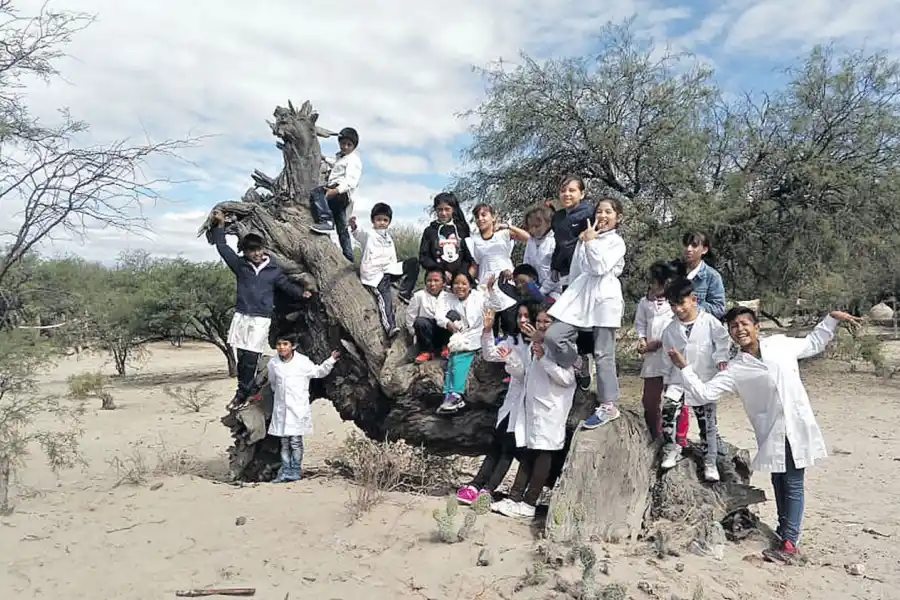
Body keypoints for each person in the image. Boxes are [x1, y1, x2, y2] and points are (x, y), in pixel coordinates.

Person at [667, 307, 861, 564]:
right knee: (779, 479)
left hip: (796, 424)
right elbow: (704, 393)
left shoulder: (781, 345)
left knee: (792, 481)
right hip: (770, 430)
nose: (740, 329)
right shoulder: (736, 369)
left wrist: (832, 319)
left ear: (757, 326)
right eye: (734, 326)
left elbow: (814, 343)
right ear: (731, 334)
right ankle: (785, 533)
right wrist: (685, 368)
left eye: (745, 323)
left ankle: (790, 544)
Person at [210, 209, 312, 405]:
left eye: (259, 249)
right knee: (241, 357)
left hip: (261, 317)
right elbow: (223, 248)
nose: (256, 253)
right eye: (251, 250)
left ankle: (248, 392)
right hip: (242, 315)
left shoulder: (273, 270)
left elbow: (286, 285)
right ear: (245, 252)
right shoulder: (241, 266)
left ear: (264, 248)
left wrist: (302, 293)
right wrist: (219, 226)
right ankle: (242, 392)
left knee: (252, 356)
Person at [545, 198, 626, 430]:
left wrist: (590, 243)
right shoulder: (586, 238)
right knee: (554, 336)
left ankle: (608, 404)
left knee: (603, 353)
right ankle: (579, 362)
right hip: (581, 295)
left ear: (617, 217)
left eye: (608, 212)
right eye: (599, 211)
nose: (602, 215)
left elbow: (601, 267)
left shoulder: (617, 242)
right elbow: (577, 270)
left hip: (604, 297)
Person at [492, 305, 576, 519]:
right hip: (532, 408)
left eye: (546, 322)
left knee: (543, 453)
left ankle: (530, 502)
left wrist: (544, 359)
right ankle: (515, 498)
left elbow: (567, 379)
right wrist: (511, 359)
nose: (540, 326)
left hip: (551, 410)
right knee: (530, 452)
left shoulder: (565, 348)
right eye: (538, 321)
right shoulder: (534, 345)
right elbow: (525, 374)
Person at [455, 303, 537, 505]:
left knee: (508, 448)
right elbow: (489, 354)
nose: (523, 320)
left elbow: (528, 374)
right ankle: (476, 485)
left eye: (527, 316)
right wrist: (488, 330)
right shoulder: (513, 340)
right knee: (496, 444)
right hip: (511, 402)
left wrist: (511, 361)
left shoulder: (539, 346)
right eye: (520, 316)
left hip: (528, 404)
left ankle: (488, 490)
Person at [659, 278, 731, 482]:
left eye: (681, 303)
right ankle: (672, 448)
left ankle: (710, 460)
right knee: (669, 412)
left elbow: (722, 342)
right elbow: (666, 355)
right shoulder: (670, 329)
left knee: (707, 421)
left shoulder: (709, 322)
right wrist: (666, 377)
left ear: (693, 299)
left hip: (703, 379)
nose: (678, 309)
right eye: (673, 305)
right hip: (677, 379)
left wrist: (721, 360)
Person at [262, 333, 340, 483]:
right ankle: (286, 471)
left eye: (285, 344)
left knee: (296, 442)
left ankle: (295, 471)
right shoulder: (273, 363)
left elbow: (318, 372)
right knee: (284, 442)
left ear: (293, 346)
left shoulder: (302, 362)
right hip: (281, 409)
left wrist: (331, 360)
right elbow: (273, 383)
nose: (281, 347)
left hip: (297, 408)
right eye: (279, 344)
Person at [675, 231, 728, 447]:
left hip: (702, 343)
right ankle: (678, 442)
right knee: (676, 396)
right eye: (687, 245)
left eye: (694, 245)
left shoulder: (712, 276)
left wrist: (693, 307)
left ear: (704, 249)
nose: (689, 249)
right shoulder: (676, 273)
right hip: (677, 339)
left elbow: (719, 308)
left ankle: (712, 448)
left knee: (703, 398)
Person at [349, 203, 418, 338]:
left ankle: (405, 291)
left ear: (389, 222)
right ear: (373, 221)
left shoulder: (388, 237)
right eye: (379, 219)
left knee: (413, 263)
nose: (382, 223)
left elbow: (392, 256)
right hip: (375, 274)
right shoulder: (369, 234)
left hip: (389, 269)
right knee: (385, 299)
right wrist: (353, 225)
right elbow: (358, 233)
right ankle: (390, 327)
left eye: (385, 220)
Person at [465, 203, 528, 336]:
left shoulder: (504, 234)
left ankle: (513, 352)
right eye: (477, 216)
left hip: (506, 283)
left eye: (484, 215)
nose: (480, 219)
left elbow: (528, 238)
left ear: (493, 217)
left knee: (510, 323)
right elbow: (475, 265)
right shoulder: (473, 241)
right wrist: (466, 282)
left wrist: (508, 226)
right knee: (489, 325)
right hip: (485, 286)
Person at [634, 260, 681, 439]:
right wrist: (642, 340)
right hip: (651, 358)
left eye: (657, 282)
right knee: (650, 401)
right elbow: (640, 323)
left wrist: (660, 343)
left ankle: (674, 438)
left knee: (672, 399)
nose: (653, 286)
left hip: (670, 356)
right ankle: (655, 435)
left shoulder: (675, 302)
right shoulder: (644, 303)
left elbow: (678, 326)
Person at [434, 272, 492, 414]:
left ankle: (457, 394)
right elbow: (439, 315)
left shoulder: (479, 297)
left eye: (464, 283)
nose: (460, 287)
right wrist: (448, 324)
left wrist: (491, 290)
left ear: (470, 285)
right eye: (456, 283)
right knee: (452, 360)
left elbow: (495, 304)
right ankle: (448, 394)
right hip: (460, 335)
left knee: (460, 356)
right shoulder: (448, 298)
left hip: (477, 334)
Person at [310, 127, 363, 261]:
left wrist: (335, 191)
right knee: (342, 228)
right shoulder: (341, 158)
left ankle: (325, 219)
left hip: (341, 192)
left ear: (354, 146)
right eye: (343, 143)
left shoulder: (354, 160)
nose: (345, 147)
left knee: (317, 192)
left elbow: (351, 181)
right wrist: (323, 158)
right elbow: (335, 163)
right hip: (338, 193)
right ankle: (349, 257)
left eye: (349, 145)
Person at [418, 192, 472, 286]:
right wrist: (441, 271)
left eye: (447, 209)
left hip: (459, 282)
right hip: (437, 281)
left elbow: (468, 257)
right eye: (440, 210)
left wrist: (460, 275)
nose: (443, 213)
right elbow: (424, 257)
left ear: (453, 209)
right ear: (435, 210)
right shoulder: (430, 231)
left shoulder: (462, 229)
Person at [406, 268, 453, 364]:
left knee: (452, 315)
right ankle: (427, 351)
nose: (432, 284)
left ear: (443, 283)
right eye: (429, 281)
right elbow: (410, 316)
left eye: (436, 281)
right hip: (427, 333)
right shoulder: (419, 296)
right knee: (420, 321)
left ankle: (446, 347)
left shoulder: (448, 296)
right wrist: (414, 333)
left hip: (443, 331)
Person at [522, 204, 560, 300]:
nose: (534, 230)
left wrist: (542, 290)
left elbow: (556, 273)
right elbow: (526, 264)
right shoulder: (531, 241)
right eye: (530, 227)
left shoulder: (556, 239)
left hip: (555, 291)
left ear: (549, 222)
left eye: (537, 226)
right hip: (534, 289)